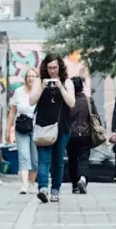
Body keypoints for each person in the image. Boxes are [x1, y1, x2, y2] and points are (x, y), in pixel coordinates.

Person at [29, 53, 76, 203]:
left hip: (62, 127)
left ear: (60, 67)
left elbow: (71, 103)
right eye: (49, 68)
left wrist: (60, 87)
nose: (52, 71)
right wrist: (42, 88)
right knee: (43, 160)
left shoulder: (67, 82)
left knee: (58, 160)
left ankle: (55, 190)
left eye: (55, 67)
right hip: (43, 126)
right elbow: (31, 101)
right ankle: (43, 188)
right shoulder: (39, 81)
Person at [6, 67, 39, 194]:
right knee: (24, 156)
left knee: (35, 158)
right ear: (25, 78)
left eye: (34, 76)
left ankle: (32, 183)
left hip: (36, 129)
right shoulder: (19, 92)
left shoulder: (40, 92)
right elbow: (12, 111)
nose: (31, 78)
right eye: (29, 76)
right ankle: (24, 184)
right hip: (21, 128)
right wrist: (8, 129)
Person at [66, 76, 95, 194]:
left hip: (70, 135)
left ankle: (75, 185)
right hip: (85, 134)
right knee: (84, 159)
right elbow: (95, 116)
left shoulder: (67, 101)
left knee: (72, 160)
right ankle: (83, 178)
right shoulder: (88, 100)